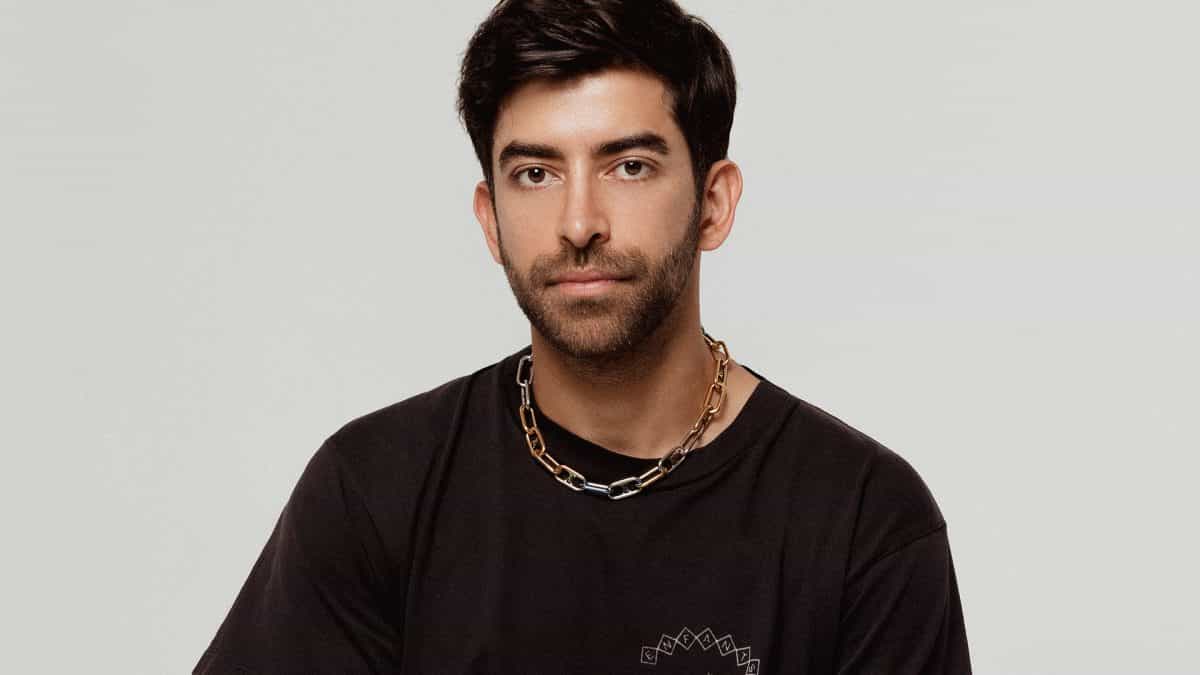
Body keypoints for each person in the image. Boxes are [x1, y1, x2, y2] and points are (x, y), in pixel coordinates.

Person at [194, 0, 972, 672]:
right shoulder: (373, 491)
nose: (578, 224)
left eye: (628, 166)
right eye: (535, 173)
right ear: (490, 219)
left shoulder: (864, 521)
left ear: (713, 203)